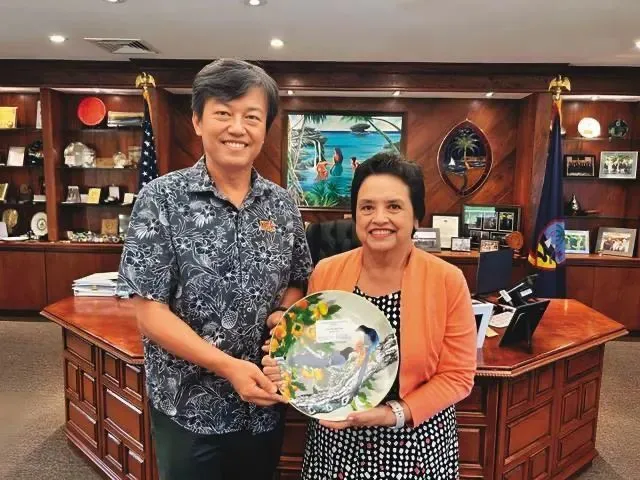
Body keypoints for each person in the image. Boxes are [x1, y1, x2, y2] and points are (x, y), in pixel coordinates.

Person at [118, 58, 313, 480]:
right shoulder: (161, 199)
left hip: (263, 403)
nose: (237, 128)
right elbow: (149, 311)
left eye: (252, 117)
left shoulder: (282, 205)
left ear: (266, 128)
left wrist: (283, 315)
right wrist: (228, 367)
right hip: (188, 408)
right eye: (223, 113)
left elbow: (297, 281)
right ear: (197, 121)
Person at [263, 151, 477, 479]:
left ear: (416, 217)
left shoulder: (447, 280)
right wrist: (286, 362)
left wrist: (392, 414)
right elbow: (315, 352)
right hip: (337, 444)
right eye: (367, 207)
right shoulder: (326, 272)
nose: (379, 218)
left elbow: (457, 376)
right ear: (355, 216)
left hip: (415, 442)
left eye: (394, 206)